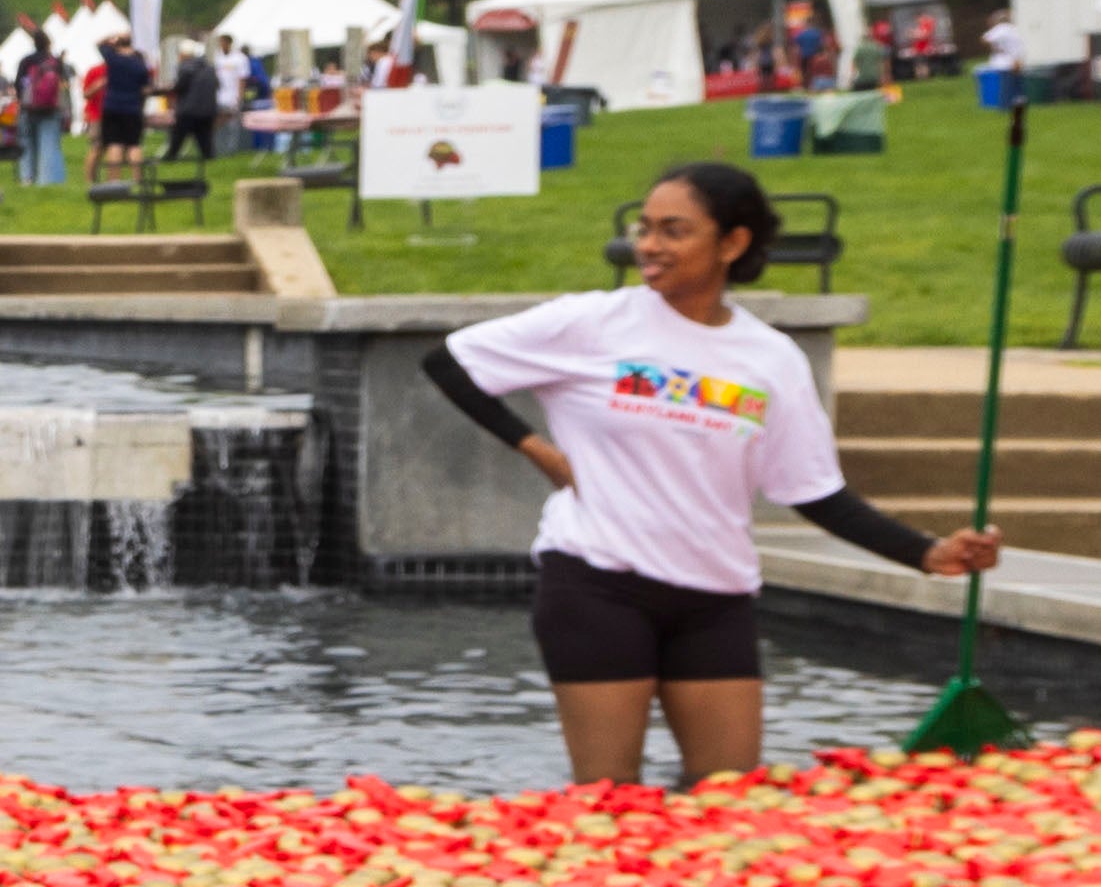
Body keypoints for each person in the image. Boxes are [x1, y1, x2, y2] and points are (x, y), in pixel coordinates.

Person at [419, 157, 1001, 791]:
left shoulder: (770, 359)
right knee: (609, 802)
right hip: (598, 585)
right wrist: (539, 450)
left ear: (733, 243)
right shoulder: (591, 323)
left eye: (673, 230)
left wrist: (927, 553)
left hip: (714, 598)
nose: (648, 245)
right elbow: (448, 361)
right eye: (644, 228)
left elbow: (816, 493)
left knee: (728, 802)